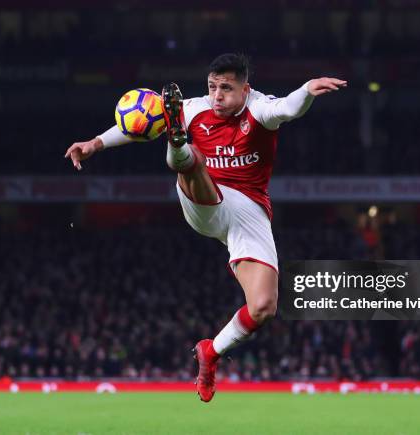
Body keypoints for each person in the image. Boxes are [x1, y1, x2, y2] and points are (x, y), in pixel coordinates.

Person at [65, 53, 346, 402]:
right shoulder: (194, 108)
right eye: (212, 87)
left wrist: (306, 89)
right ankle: (178, 145)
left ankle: (210, 353)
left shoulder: (259, 109)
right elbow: (134, 126)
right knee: (191, 160)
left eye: (226, 88)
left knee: (264, 306)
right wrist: (94, 144)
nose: (217, 96)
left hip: (249, 210)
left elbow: (287, 108)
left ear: (246, 89)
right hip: (203, 198)